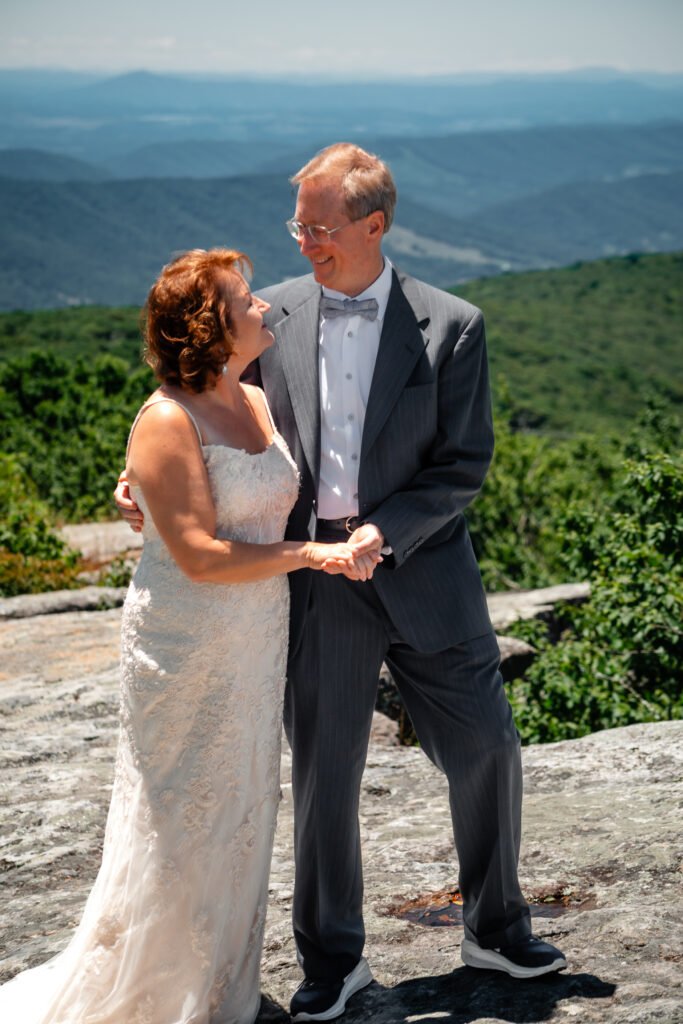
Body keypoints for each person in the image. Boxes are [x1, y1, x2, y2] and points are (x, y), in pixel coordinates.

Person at [117, 145, 567, 1022]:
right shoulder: (266, 314)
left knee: (486, 747)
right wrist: (143, 485)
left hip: (425, 571)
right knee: (325, 776)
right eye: (299, 225)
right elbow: (193, 408)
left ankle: (496, 926)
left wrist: (382, 533)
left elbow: (462, 468)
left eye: (318, 228)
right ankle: (331, 960)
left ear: (373, 226)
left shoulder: (452, 325)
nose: (304, 242)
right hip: (311, 580)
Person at [0, 248, 362, 1024]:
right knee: (177, 810)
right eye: (247, 299)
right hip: (183, 640)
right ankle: (155, 993)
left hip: (255, 635)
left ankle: (216, 980)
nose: (265, 307)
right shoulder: (167, 416)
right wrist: (311, 555)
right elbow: (196, 554)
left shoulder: (254, 395)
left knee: (237, 805)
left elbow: (265, 494)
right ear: (212, 326)